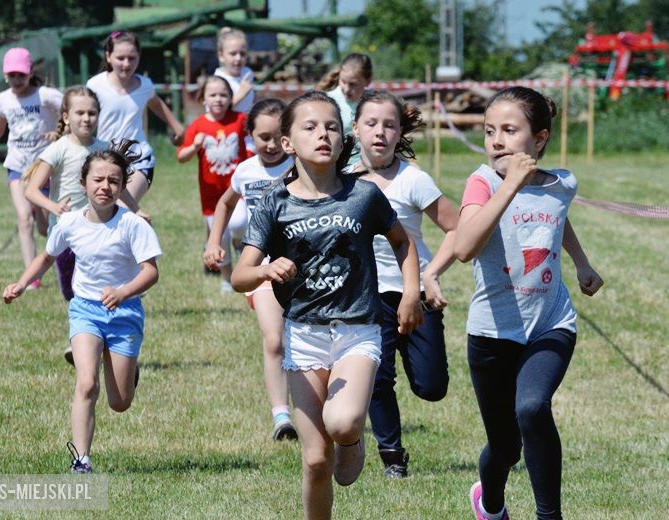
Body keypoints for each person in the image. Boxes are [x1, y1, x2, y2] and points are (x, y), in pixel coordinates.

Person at [232, 90, 423, 520]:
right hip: (303, 333)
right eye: (310, 127)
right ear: (286, 143)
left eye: (332, 126)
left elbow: (402, 243)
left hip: (358, 329)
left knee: (341, 423)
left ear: (342, 139)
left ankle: (354, 441)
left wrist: (411, 292)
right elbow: (239, 275)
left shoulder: (364, 195)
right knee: (316, 460)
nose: (323, 134)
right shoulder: (273, 204)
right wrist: (266, 269)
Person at [454, 87, 603, 520]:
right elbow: (465, 247)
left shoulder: (563, 183)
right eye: (489, 131)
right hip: (492, 333)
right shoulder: (482, 182)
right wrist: (511, 185)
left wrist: (582, 263)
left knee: (533, 407)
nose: (497, 140)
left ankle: (548, 516)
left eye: (509, 130)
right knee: (504, 445)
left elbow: (555, 215)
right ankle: (490, 501)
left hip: (550, 323)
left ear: (538, 139)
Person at [3, 142, 162, 474]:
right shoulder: (70, 223)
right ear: (83, 182)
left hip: (125, 312)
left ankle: (128, 373)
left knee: (119, 403)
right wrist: (21, 283)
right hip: (86, 310)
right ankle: (82, 459)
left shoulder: (133, 225)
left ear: (122, 187)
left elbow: (151, 272)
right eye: (98, 180)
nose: (105, 187)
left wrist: (123, 292)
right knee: (87, 382)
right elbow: (47, 257)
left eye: (114, 181)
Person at [350, 90, 459, 478]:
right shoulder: (343, 181)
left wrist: (430, 276)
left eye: (389, 125)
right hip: (366, 295)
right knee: (377, 377)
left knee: (431, 387)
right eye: (372, 124)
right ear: (356, 128)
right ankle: (392, 455)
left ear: (400, 132)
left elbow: (457, 227)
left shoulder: (414, 180)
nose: (380, 132)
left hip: (415, 292)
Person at [24, 86, 146, 364]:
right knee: (72, 291)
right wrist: (53, 207)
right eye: (80, 113)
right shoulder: (58, 149)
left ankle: (105, 343)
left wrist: (137, 210)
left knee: (103, 286)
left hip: (103, 231)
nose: (86, 118)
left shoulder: (104, 149)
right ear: (66, 116)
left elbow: (121, 185)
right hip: (67, 233)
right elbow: (31, 190)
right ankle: (85, 335)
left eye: (92, 113)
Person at [203, 98, 296, 441]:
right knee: (274, 341)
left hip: (303, 269)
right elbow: (225, 203)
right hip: (261, 270)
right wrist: (215, 242)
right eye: (263, 137)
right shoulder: (245, 171)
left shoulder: (301, 167)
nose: (271, 145)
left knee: (305, 341)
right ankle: (281, 417)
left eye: (278, 137)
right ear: (250, 137)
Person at [0, 47, 63, 289]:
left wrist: (60, 132)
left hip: (44, 167)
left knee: (44, 228)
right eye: (11, 76)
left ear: (31, 72)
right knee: (24, 220)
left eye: (21, 75)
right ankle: (32, 279)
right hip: (17, 167)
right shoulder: (4, 100)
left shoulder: (47, 96)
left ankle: (43, 222)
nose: (16, 80)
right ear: (5, 76)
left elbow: (71, 111)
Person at [86, 31, 185, 203]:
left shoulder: (144, 85)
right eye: (120, 58)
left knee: (121, 205)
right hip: (105, 159)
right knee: (110, 213)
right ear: (109, 57)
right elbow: (80, 113)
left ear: (139, 57)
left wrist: (178, 128)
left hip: (139, 159)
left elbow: (156, 104)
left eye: (132, 58)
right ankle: (145, 228)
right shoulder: (95, 85)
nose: (126, 64)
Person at [178, 76, 249, 293]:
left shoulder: (240, 119)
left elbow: (257, 136)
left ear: (230, 98)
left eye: (223, 95)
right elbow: (181, 156)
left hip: (237, 192)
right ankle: (227, 279)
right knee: (220, 239)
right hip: (211, 196)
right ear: (203, 99)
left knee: (238, 224)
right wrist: (194, 146)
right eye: (213, 95)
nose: (218, 99)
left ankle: (240, 242)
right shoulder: (197, 125)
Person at [316, 53, 372, 166]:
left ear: (368, 81)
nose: (346, 89)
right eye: (343, 82)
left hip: (368, 168)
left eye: (353, 84)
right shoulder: (327, 101)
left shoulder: (374, 103)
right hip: (336, 168)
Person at [214, 27, 256, 114]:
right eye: (233, 54)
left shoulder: (247, 73)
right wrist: (240, 94)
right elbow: (216, 112)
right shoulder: (217, 80)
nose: (238, 58)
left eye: (242, 53)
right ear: (221, 56)